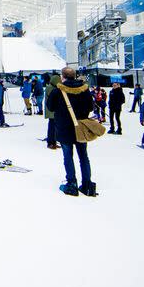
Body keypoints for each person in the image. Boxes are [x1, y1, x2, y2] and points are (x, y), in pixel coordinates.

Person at [46, 67, 95, 197]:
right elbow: (91, 106)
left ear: (63, 77)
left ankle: (71, 183)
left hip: (64, 128)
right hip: (81, 128)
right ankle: (87, 185)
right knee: (83, 156)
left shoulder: (58, 91)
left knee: (68, 156)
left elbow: (50, 107)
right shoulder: (85, 90)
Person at [43, 73, 60, 149]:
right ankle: (50, 142)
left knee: (54, 127)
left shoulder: (51, 87)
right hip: (52, 110)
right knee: (52, 127)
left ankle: (54, 141)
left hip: (53, 110)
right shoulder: (51, 88)